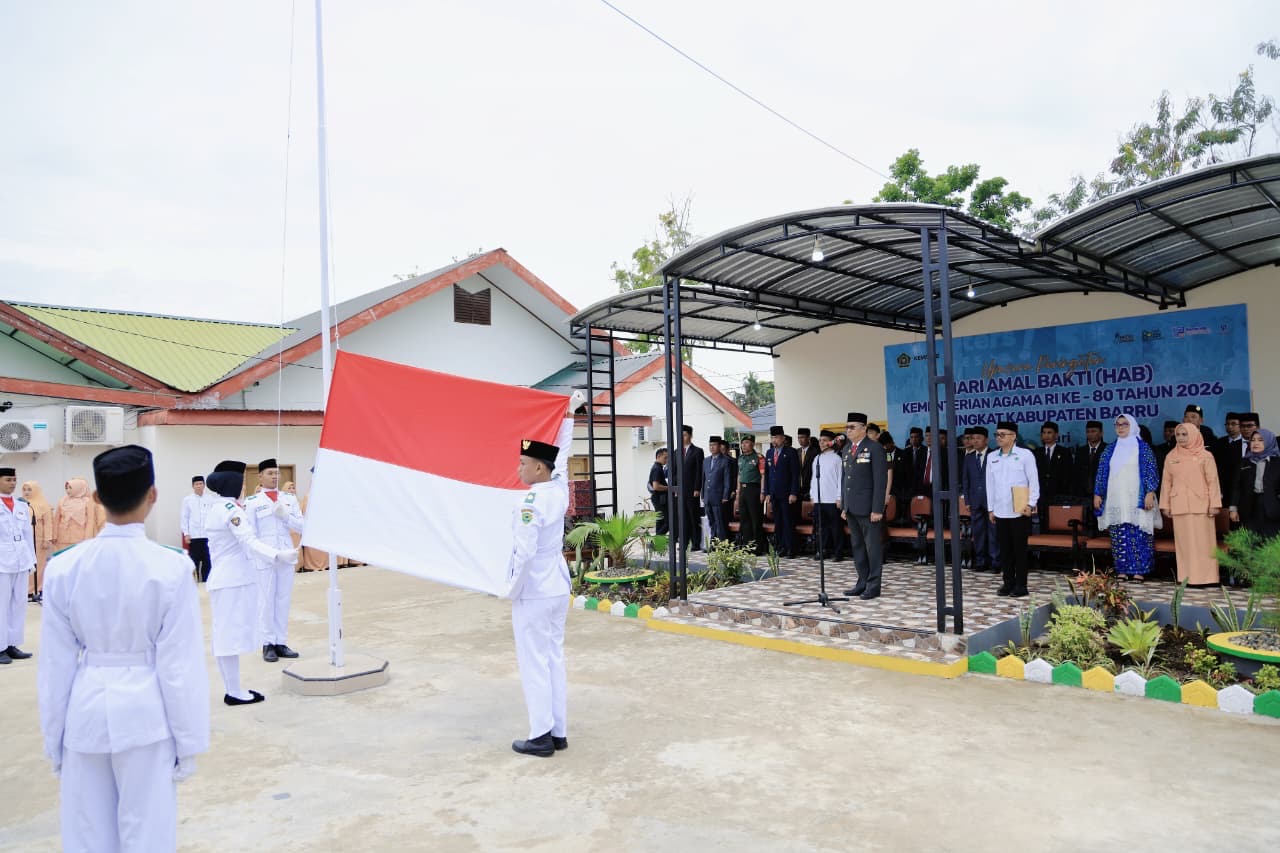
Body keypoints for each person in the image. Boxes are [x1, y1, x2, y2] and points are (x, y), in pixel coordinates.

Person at [37, 445, 210, 851]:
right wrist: (189, 743)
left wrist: (54, 740)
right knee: (148, 832)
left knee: (87, 834)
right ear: (153, 494)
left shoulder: (64, 567)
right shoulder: (171, 567)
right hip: (145, 713)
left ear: (96, 499)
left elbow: (55, 666)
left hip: (85, 710)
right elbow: (179, 667)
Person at [204, 460, 297, 705]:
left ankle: (233, 688)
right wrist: (277, 554)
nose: (244, 487)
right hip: (232, 580)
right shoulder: (231, 510)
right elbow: (249, 540)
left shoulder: (219, 507)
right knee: (228, 637)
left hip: (226, 578)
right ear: (233, 485)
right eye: (242, 482)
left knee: (226, 635)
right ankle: (233, 691)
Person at [505, 437, 570, 758]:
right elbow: (565, 459)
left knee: (534, 663)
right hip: (557, 587)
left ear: (540, 467)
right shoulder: (558, 492)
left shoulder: (529, 502)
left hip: (535, 591)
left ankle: (540, 735)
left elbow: (525, 553)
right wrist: (569, 418)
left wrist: (511, 590)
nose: (519, 468)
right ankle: (558, 732)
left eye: (522, 463)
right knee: (554, 660)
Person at [244, 458, 306, 662]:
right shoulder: (252, 502)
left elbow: (302, 527)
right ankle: (267, 643)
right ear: (260, 476)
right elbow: (250, 535)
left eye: (277, 473)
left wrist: (285, 515)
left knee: (283, 600)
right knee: (266, 601)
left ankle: (280, 641)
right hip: (265, 558)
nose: (275, 476)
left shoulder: (289, 499)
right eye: (270, 473)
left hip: (286, 555)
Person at [1093, 414, 1160, 581]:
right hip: (1116, 498)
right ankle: (1122, 570)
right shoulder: (1110, 449)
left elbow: (1151, 471)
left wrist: (1150, 492)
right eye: (1117, 424)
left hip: (1137, 498)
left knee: (1138, 533)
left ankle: (1139, 570)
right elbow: (1101, 473)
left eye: (1125, 424)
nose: (1120, 427)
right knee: (1119, 533)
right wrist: (1097, 493)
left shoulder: (1143, 448)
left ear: (1132, 426)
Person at [1159, 424, 1222, 585]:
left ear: (1194, 435)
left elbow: (1213, 481)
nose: (1180, 438)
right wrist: (1165, 504)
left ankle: (1208, 578)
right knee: (1184, 544)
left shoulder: (1205, 455)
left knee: (1203, 543)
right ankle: (1186, 578)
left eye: (1184, 434)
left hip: (1202, 505)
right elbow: (1166, 482)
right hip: (1179, 504)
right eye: (1178, 434)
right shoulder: (1171, 456)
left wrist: (1215, 503)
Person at [986, 421, 1038, 598]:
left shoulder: (1025, 455)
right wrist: (990, 508)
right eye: (997, 434)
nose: (999, 438)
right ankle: (1007, 583)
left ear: (1014, 436)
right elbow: (989, 484)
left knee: (1019, 549)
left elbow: (1033, 481)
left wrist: (1031, 503)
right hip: (1000, 510)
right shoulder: (992, 456)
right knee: (1004, 549)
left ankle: (1021, 585)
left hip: (1020, 509)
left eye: (1003, 434)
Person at [839, 413, 888, 599]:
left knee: (872, 548)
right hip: (851, 508)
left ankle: (873, 585)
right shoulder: (846, 449)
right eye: (847, 427)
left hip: (869, 509)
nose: (848, 430)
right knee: (857, 546)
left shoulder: (874, 448)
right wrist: (844, 505)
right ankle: (862, 581)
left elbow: (879, 481)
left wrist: (877, 509)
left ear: (864, 429)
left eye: (852, 427)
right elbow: (845, 480)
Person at [0, 466, 36, 664]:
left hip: (21, 559)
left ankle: (12, 644)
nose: (12, 484)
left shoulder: (21, 506)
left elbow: (27, 535)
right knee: (1, 605)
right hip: (1, 561)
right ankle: (0, 647)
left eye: (14, 480)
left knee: (18, 603)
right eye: (8, 480)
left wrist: (32, 560)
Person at [960, 426, 999, 573]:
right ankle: (981, 561)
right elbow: (966, 481)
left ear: (986, 440)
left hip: (992, 502)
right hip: (975, 501)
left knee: (994, 533)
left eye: (978, 438)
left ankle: (995, 562)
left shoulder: (995, 455)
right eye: (973, 438)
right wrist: (967, 501)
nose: (975, 441)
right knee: (978, 533)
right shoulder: (969, 457)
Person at [1230, 428, 1280, 539]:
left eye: (1260, 440)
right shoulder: (1244, 461)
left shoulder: (1277, 463)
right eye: (1253, 440)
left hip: (1272, 507)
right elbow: (1236, 486)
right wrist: (1233, 508)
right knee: (1249, 540)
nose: (1255, 443)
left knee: (1270, 541)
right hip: (1248, 506)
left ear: (1268, 442)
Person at [764, 425, 800, 557]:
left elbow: (795, 474)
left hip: (787, 494)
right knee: (778, 522)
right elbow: (767, 475)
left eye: (776, 437)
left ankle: (791, 548)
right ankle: (780, 547)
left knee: (788, 522)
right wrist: (767, 492)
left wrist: (793, 492)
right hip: (774, 494)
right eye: (772, 437)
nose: (774, 440)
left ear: (783, 438)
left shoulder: (790, 452)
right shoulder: (769, 453)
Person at [1034, 421, 1074, 528]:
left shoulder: (1065, 452)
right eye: (1044, 433)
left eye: (1049, 432)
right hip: (1041, 496)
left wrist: (1065, 495)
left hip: (1059, 495)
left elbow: (1068, 475)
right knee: (1042, 525)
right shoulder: (1036, 452)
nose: (1046, 435)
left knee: (1058, 524)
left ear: (1056, 435)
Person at [813, 430, 844, 561]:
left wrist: (839, 497)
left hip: (832, 499)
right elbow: (814, 479)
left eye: (825, 440)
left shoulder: (837, 458)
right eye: (820, 441)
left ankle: (838, 552)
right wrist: (813, 495)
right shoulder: (817, 458)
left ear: (831, 442)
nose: (822, 443)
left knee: (836, 527)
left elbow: (840, 480)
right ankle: (823, 550)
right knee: (822, 527)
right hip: (820, 499)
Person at [22, 480, 53, 603]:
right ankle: (28, 591)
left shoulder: (43, 505)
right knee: (27, 565)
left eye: (29, 489)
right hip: (25, 540)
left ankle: (39, 589)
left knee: (39, 566)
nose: (26, 492)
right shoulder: (21, 504)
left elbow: (48, 524)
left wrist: (47, 539)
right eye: (24, 489)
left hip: (39, 540)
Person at [735, 435, 766, 555]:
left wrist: (762, 492)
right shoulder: (741, 458)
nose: (744, 445)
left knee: (755, 519)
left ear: (753, 444)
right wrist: (738, 493)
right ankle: (748, 547)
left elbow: (763, 476)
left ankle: (758, 548)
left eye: (747, 443)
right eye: (743, 443)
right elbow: (739, 475)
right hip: (743, 490)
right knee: (745, 519)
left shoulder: (759, 457)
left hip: (754, 490)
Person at [675, 426, 704, 552]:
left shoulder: (697, 451)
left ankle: (696, 543)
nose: (682, 437)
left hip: (692, 490)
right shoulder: (676, 452)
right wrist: (675, 488)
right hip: (680, 491)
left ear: (690, 436)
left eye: (685, 435)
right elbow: (674, 472)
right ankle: (684, 542)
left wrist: (697, 488)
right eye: (680, 435)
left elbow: (699, 471)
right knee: (682, 518)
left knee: (693, 518)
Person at [180, 475, 212, 583]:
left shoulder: (210, 499)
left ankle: (206, 582)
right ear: (193, 486)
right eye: (196, 484)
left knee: (207, 561)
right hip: (194, 536)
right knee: (194, 561)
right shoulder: (187, 500)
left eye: (200, 483)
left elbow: (213, 516)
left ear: (204, 485)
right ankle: (195, 583)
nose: (199, 486)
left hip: (208, 536)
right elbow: (184, 517)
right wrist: (186, 533)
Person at [54, 477, 97, 552]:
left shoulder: (87, 502)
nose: (68, 490)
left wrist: (88, 538)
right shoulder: (63, 501)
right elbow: (56, 520)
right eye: (66, 488)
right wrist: (54, 535)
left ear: (78, 488)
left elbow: (90, 521)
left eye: (70, 488)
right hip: (62, 538)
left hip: (80, 538)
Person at [702, 437, 732, 543]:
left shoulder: (725, 461)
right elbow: (704, 479)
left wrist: (725, 496)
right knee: (711, 521)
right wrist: (703, 495)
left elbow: (727, 480)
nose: (712, 447)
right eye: (710, 445)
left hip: (719, 496)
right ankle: (713, 542)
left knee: (719, 522)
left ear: (720, 446)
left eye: (714, 445)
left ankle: (722, 544)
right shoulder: (706, 460)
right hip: (708, 496)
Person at [1214, 412, 1247, 505]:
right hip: (1223, 486)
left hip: (1240, 486)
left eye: (1233, 424)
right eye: (1227, 424)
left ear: (1240, 425)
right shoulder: (1219, 443)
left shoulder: (1246, 443)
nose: (1230, 427)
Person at [647, 448, 670, 536]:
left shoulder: (658, 467)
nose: (667, 460)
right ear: (658, 456)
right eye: (665, 458)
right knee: (669, 523)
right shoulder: (657, 468)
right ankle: (655, 540)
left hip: (658, 499)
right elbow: (656, 486)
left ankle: (657, 544)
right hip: (660, 500)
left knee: (660, 521)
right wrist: (670, 488)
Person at [797, 428, 818, 501]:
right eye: (799, 437)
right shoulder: (797, 452)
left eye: (802, 437)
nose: (800, 439)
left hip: (810, 489)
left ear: (808, 438)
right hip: (798, 490)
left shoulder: (815, 452)